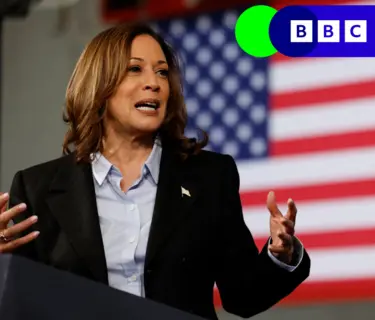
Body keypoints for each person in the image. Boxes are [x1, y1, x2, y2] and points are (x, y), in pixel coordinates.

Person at [0, 23, 310, 319]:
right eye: (135, 69)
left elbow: (243, 296)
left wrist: (280, 254)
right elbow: (18, 304)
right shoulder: (37, 187)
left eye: (162, 72)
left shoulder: (210, 177)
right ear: (99, 84)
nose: (155, 82)